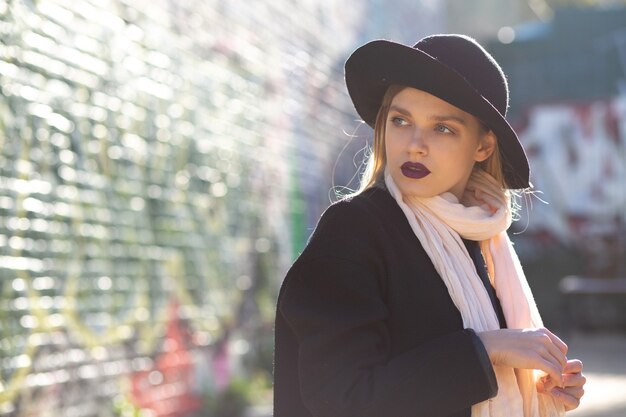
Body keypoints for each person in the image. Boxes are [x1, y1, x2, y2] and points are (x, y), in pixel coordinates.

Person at [273, 34, 586, 417]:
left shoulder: (480, 240)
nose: (415, 144)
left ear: (483, 146)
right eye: (401, 120)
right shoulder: (353, 231)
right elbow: (343, 399)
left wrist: (540, 386)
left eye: (443, 128)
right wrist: (489, 350)